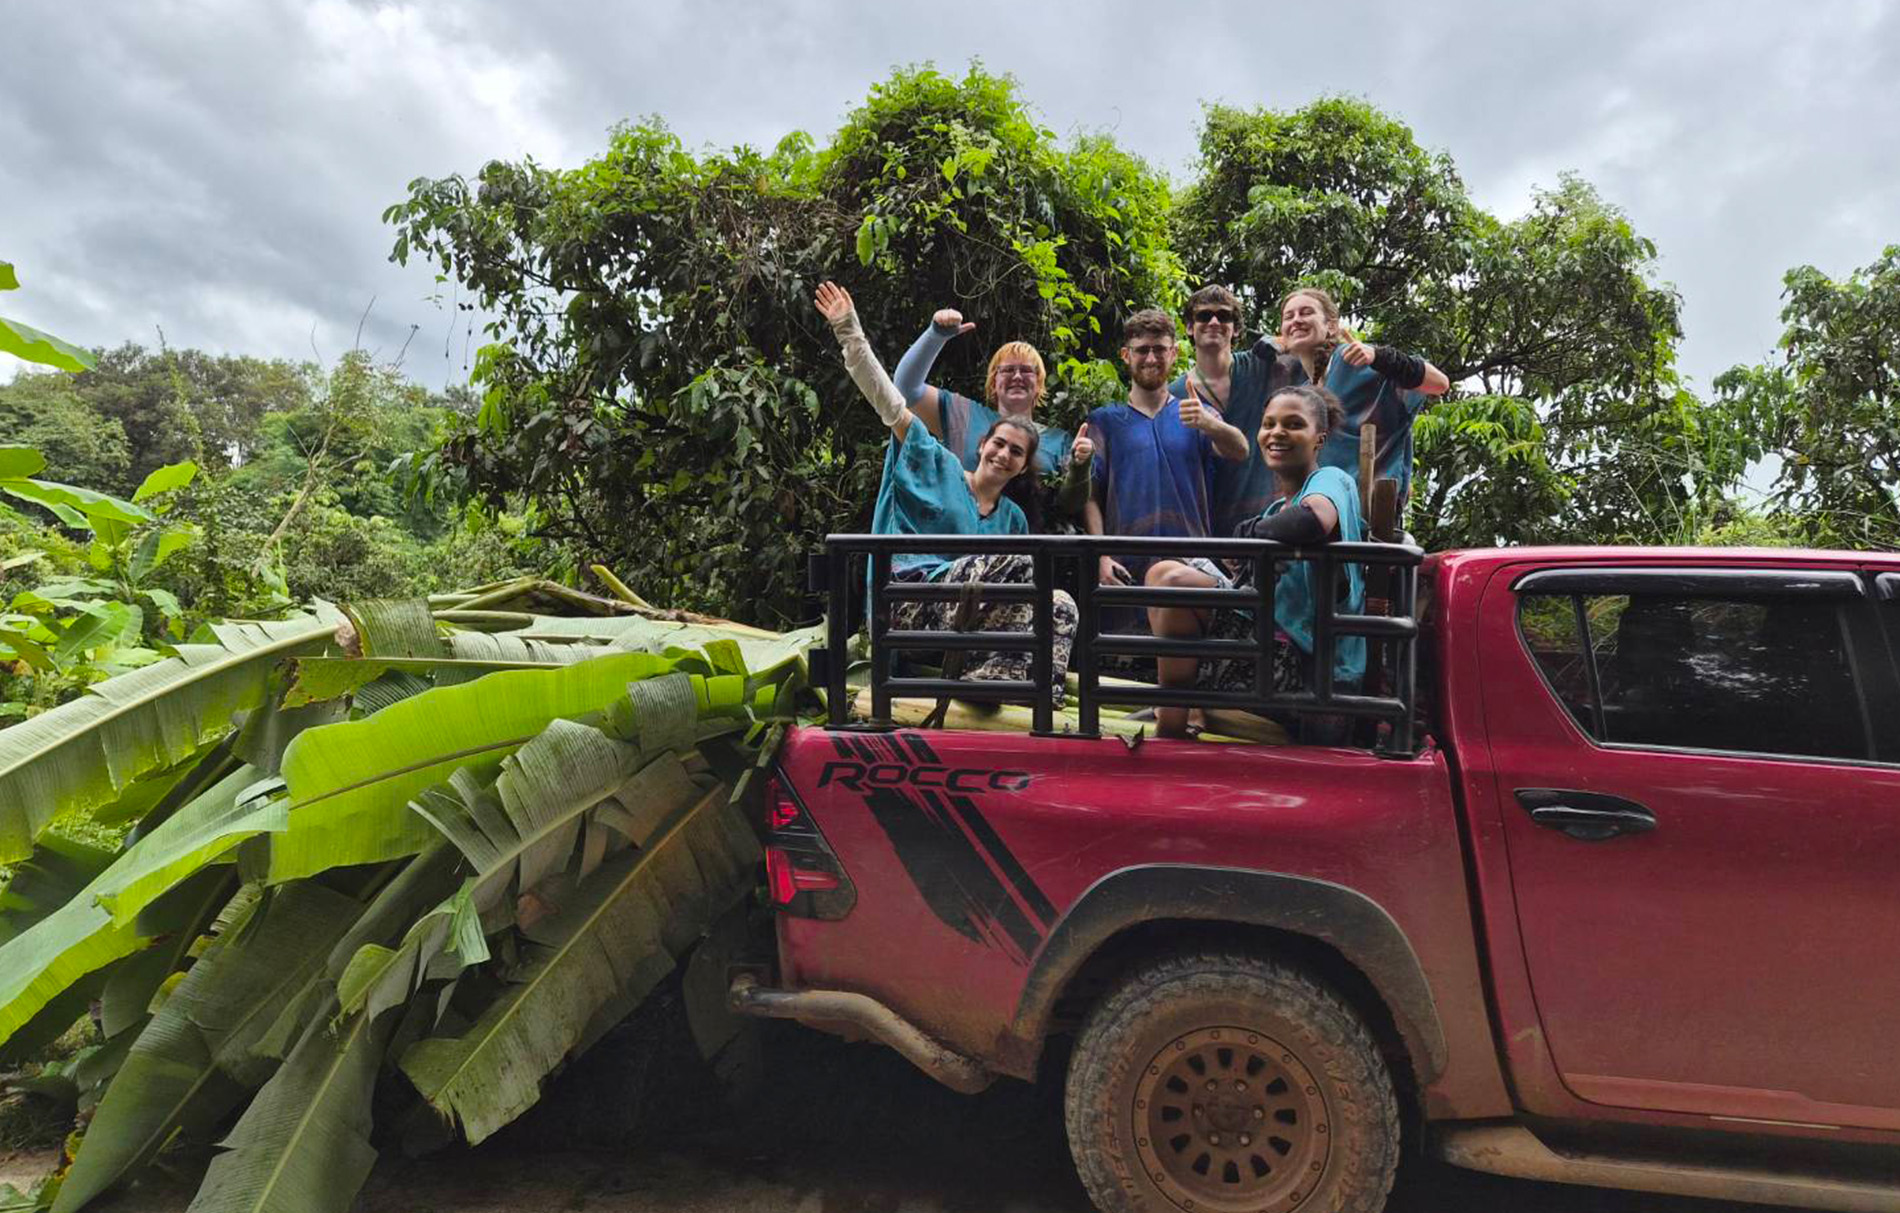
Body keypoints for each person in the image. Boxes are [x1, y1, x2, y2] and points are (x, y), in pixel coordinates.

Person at [813, 281, 1076, 699]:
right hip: (910, 600)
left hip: (968, 615)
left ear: (1025, 466)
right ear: (981, 446)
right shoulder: (937, 464)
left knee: (1059, 603)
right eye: (999, 443)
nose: (1004, 454)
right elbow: (891, 400)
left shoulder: (1014, 518)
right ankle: (994, 677)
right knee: (1019, 568)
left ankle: (1021, 693)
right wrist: (849, 331)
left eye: (1016, 451)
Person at [1143, 384, 1366, 739]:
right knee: (1161, 571)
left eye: (1293, 424)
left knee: (1175, 584)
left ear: (1319, 439)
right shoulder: (1276, 509)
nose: (1277, 432)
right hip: (1263, 646)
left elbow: (1314, 519)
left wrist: (1254, 533)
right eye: (1269, 423)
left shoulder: (1330, 479)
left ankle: (1171, 724)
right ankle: (1178, 709)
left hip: (1303, 663)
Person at [1080, 309, 1249, 591]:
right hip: (1124, 566)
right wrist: (1101, 556)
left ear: (1173, 353)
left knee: (1186, 634)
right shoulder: (1105, 421)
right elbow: (1090, 495)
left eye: (1159, 350)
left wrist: (1210, 424)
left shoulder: (1197, 413)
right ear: (1125, 355)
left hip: (1191, 565)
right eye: (1142, 350)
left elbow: (1240, 450)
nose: (1150, 358)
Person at [892, 308, 1088, 528]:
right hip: (959, 543)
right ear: (994, 382)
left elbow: (1070, 505)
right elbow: (905, 391)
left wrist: (1081, 466)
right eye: (1007, 370)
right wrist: (935, 335)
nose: (1017, 376)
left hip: (1027, 550)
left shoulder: (1059, 440)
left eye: (1026, 370)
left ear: (1040, 384)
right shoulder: (964, 414)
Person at [1276, 287, 1450, 511]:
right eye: (1289, 317)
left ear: (1331, 326)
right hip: (1320, 510)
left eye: (1306, 312)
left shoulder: (1356, 361)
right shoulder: (1301, 394)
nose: (1296, 321)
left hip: (1373, 514)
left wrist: (1379, 357)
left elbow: (1439, 384)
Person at [1168, 285, 1303, 536]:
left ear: (1236, 328)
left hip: (1274, 518)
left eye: (1224, 315)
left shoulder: (1266, 368)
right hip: (1211, 528)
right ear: (1189, 327)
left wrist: (1286, 342)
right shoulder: (1175, 395)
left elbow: (1321, 364)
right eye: (1204, 315)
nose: (1215, 321)